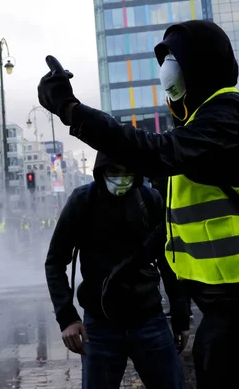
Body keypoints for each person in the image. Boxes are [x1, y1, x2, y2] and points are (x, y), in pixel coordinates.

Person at [38, 20, 239, 387]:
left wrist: (71, 110)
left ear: (202, 63)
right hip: (227, 305)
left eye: (174, 59)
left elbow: (154, 152)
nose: (166, 71)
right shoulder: (201, 124)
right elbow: (171, 236)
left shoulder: (230, 113)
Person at [45, 152, 189, 389]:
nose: (121, 178)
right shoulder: (83, 201)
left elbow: (169, 260)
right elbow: (55, 261)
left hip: (149, 320)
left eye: (128, 172)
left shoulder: (149, 198)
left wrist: (181, 317)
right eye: (114, 171)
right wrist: (67, 318)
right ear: (101, 170)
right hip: (99, 327)